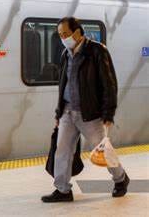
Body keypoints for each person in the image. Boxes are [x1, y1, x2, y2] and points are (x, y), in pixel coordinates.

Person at [41, 17, 129, 203]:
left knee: (103, 150)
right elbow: (62, 84)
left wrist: (108, 114)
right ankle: (63, 189)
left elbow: (109, 83)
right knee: (62, 150)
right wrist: (59, 112)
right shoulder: (65, 54)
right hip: (67, 110)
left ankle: (121, 179)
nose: (63, 37)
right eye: (60, 35)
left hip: (90, 113)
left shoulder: (97, 51)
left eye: (65, 33)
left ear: (77, 32)